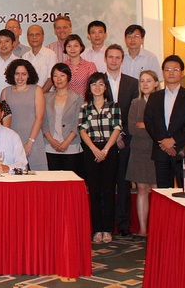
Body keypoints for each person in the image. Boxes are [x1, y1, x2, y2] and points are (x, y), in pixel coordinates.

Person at [144, 55, 185, 189]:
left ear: (182, 73)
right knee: (163, 191)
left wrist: (173, 140)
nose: (171, 73)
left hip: (182, 151)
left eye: (175, 69)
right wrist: (164, 142)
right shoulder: (155, 97)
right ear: (163, 73)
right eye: (167, 69)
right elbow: (149, 121)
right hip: (161, 151)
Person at [78, 72, 122, 244]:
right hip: (91, 150)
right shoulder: (85, 107)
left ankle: (107, 229)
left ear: (105, 87)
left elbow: (117, 128)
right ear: (89, 87)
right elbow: (82, 130)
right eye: (94, 84)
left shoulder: (113, 106)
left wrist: (105, 150)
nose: (97, 87)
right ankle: (97, 229)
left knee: (109, 191)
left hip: (109, 150)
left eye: (101, 84)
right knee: (95, 191)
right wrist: (95, 150)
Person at [103, 44, 140, 238]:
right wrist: (112, 136)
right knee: (107, 183)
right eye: (111, 57)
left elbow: (133, 113)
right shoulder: (98, 81)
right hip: (104, 141)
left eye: (117, 57)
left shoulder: (132, 83)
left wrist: (121, 134)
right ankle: (106, 224)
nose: (114, 60)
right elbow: (97, 112)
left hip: (125, 140)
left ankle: (124, 224)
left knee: (124, 183)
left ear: (122, 60)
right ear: (105, 59)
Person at [125, 70, 160, 241]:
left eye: (148, 80)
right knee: (141, 189)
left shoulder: (162, 101)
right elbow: (132, 129)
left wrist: (145, 125)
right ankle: (143, 229)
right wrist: (150, 127)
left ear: (156, 83)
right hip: (139, 150)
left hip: (158, 149)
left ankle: (158, 229)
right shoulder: (135, 103)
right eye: (142, 81)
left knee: (158, 190)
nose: (145, 84)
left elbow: (161, 129)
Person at [1, 59, 48, 170]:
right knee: (13, 174)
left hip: (33, 139)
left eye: (24, 74)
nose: (20, 77)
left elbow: (39, 118)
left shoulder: (37, 90)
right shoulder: (5, 92)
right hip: (11, 140)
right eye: (17, 73)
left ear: (29, 75)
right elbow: (3, 119)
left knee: (39, 175)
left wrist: (30, 142)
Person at [42, 63, 83, 177]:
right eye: (55, 76)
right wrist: (51, 140)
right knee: (53, 181)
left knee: (70, 181)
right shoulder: (46, 97)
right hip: (50, 146)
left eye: (62, 75)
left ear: (68, 77)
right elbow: (43, 121)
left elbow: (78, 122)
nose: (58, 79)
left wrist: (67, 142)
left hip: (71, 146)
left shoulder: (77, 97)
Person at [22, 25, 57, 90]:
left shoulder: (50, 54)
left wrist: (40, 94)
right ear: (27, 38)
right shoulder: (25, 57)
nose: (34, 37)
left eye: (37, 34)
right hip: (28, 94)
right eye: (31, 35)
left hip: (46, 94)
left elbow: (51, 79)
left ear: (43, 37)